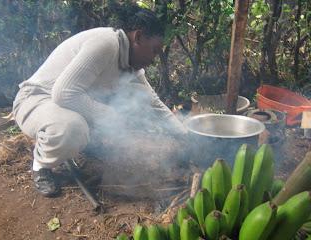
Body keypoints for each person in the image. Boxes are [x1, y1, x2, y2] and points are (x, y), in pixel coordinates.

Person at [13, 2, 188, 198]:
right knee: (72, 129)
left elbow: (154, 103)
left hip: (66, 102)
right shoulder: (106, 44)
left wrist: (186, 135)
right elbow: (64, 93)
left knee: (140, 95)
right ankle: (41, 166)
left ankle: (89, 142)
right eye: (154, 50)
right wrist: (113, 117)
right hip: (37, 99)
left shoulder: (129, 62)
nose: (155, 58)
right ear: (138, 37)